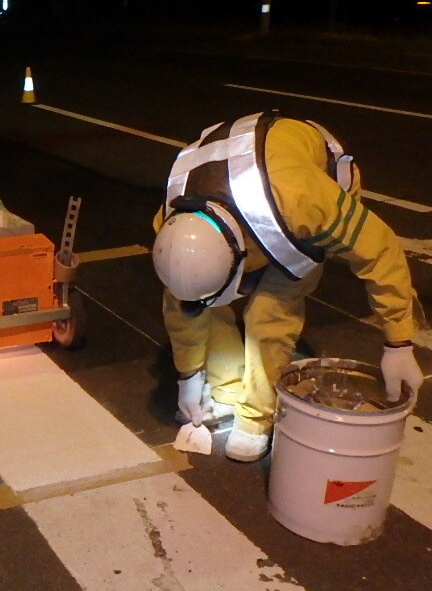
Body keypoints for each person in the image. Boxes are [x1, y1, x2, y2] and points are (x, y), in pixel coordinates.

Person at [152, 110, 424, 462]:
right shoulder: (172, 224)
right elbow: (183, 306)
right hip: (247, 185)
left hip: (309, 183)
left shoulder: (306, 203)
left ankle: (255, 417)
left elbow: (380, 251)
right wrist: (188, 375)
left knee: (269, 313)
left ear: (242, 260)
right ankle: (229, 387)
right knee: (206, 303)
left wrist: (398, 341)